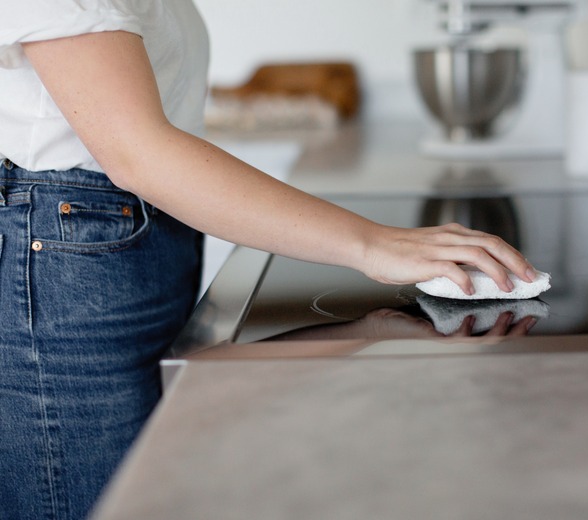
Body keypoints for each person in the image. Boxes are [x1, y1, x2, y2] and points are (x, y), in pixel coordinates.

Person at [0, 2, 536, 519]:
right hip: (70, 248)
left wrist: (370, 333)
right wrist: (371, 244)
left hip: (111, 237)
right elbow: (136, 151)